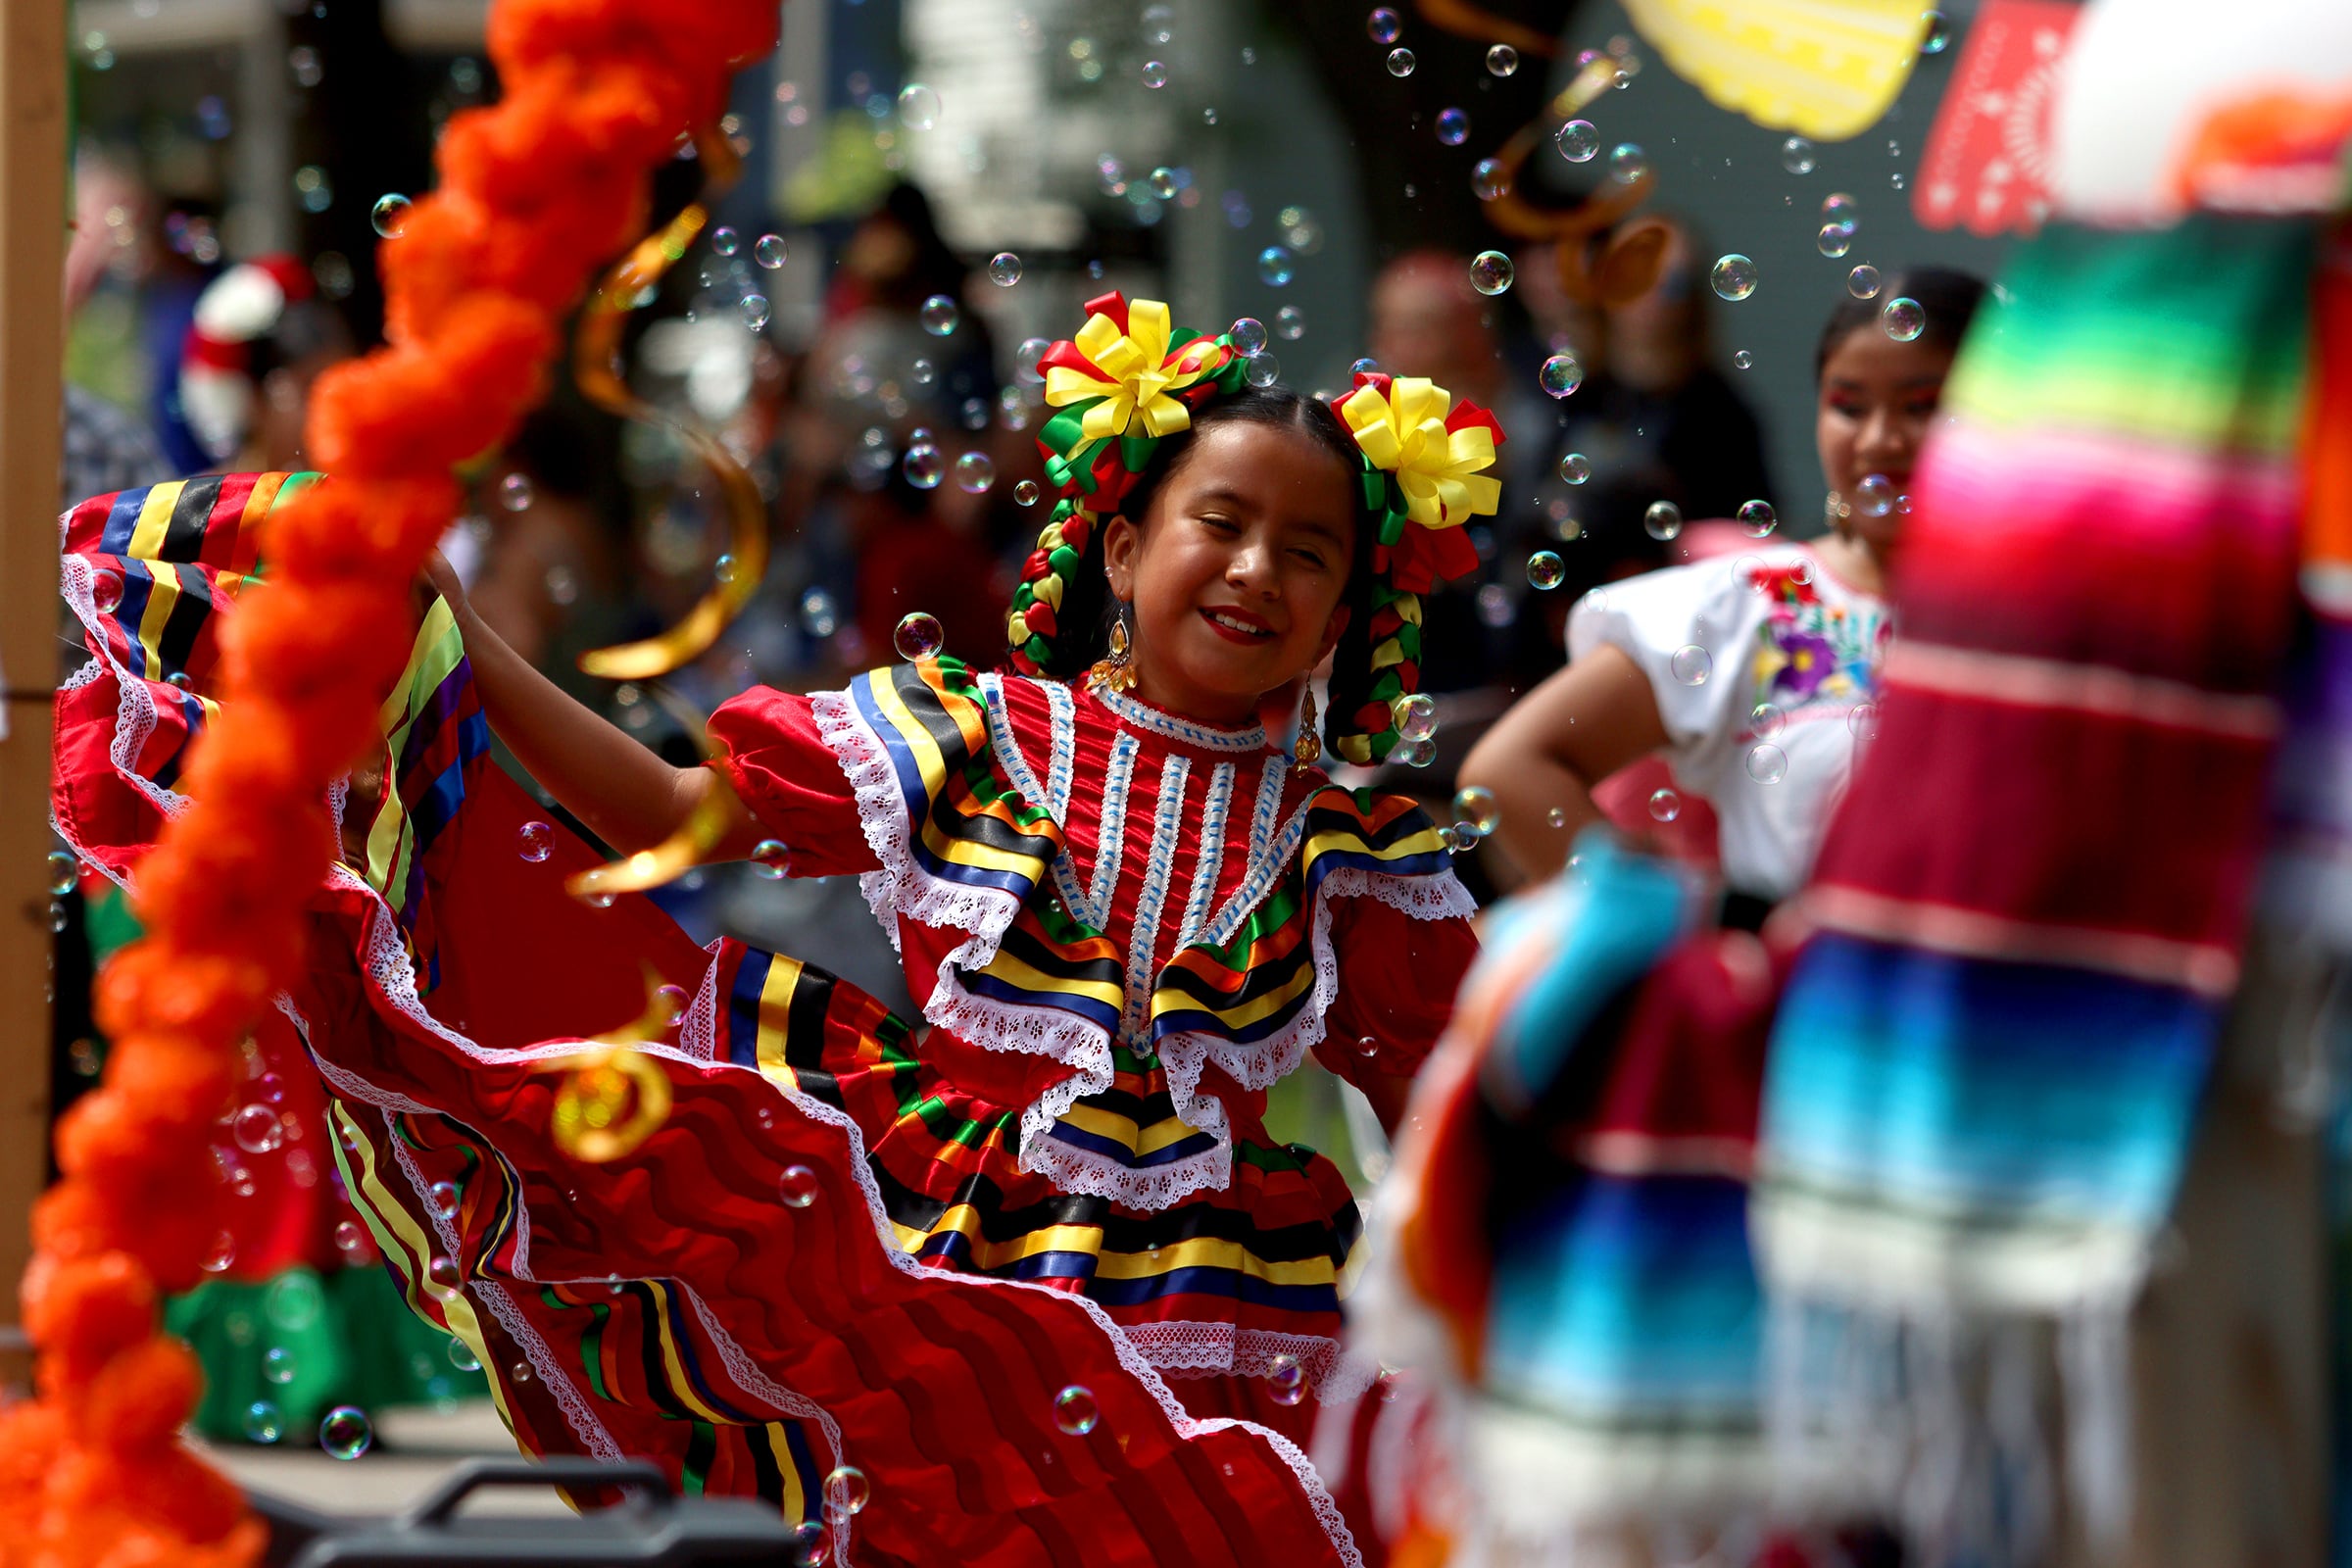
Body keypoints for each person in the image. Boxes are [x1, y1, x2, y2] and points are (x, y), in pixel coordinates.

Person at [51, 294, 1491, 1563]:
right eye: (1220, 527)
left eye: (1308, 557)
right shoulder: (972, 735)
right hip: (960, 1258)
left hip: (1238, 1312)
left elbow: (1458, 1111)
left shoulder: (1357, 850)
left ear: (1339, 629)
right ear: (1120, 549)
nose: (1254, 573)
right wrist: (466, 644)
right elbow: (675, 806)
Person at [1461, 267, 1988, 905]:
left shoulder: (2081, 618)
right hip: (1804, 1000)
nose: (1878, 440)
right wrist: (1661, 947)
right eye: (1848, 405)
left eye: (1922, 406)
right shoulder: (1744, 606)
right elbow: (1509, 771)